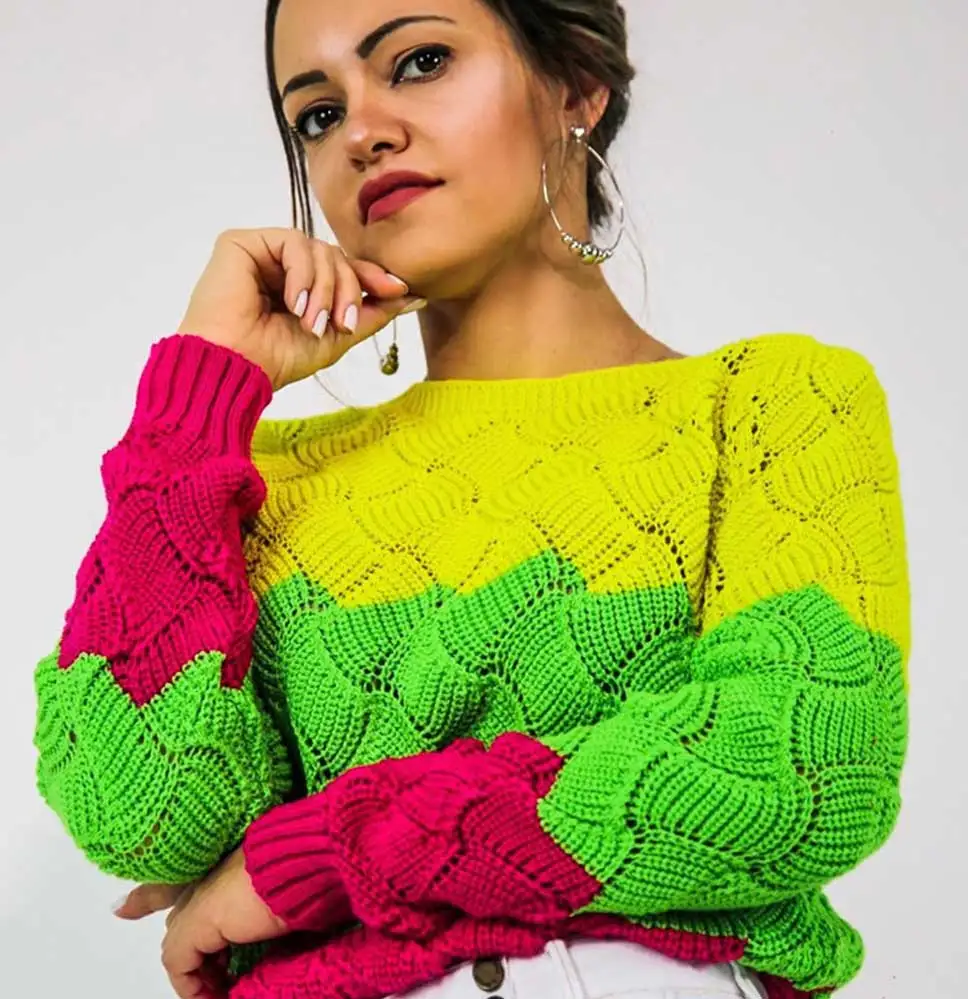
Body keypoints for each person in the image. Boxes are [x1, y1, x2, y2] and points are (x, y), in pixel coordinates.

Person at [31, 2, 910, 999]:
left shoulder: (770, 406)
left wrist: (320, 855)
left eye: (418, 62)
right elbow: (141, 811)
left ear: (576, 86)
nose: (362, 133)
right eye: (317, 114)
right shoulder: (255, 481)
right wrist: (197, 395)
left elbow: (798, 774)